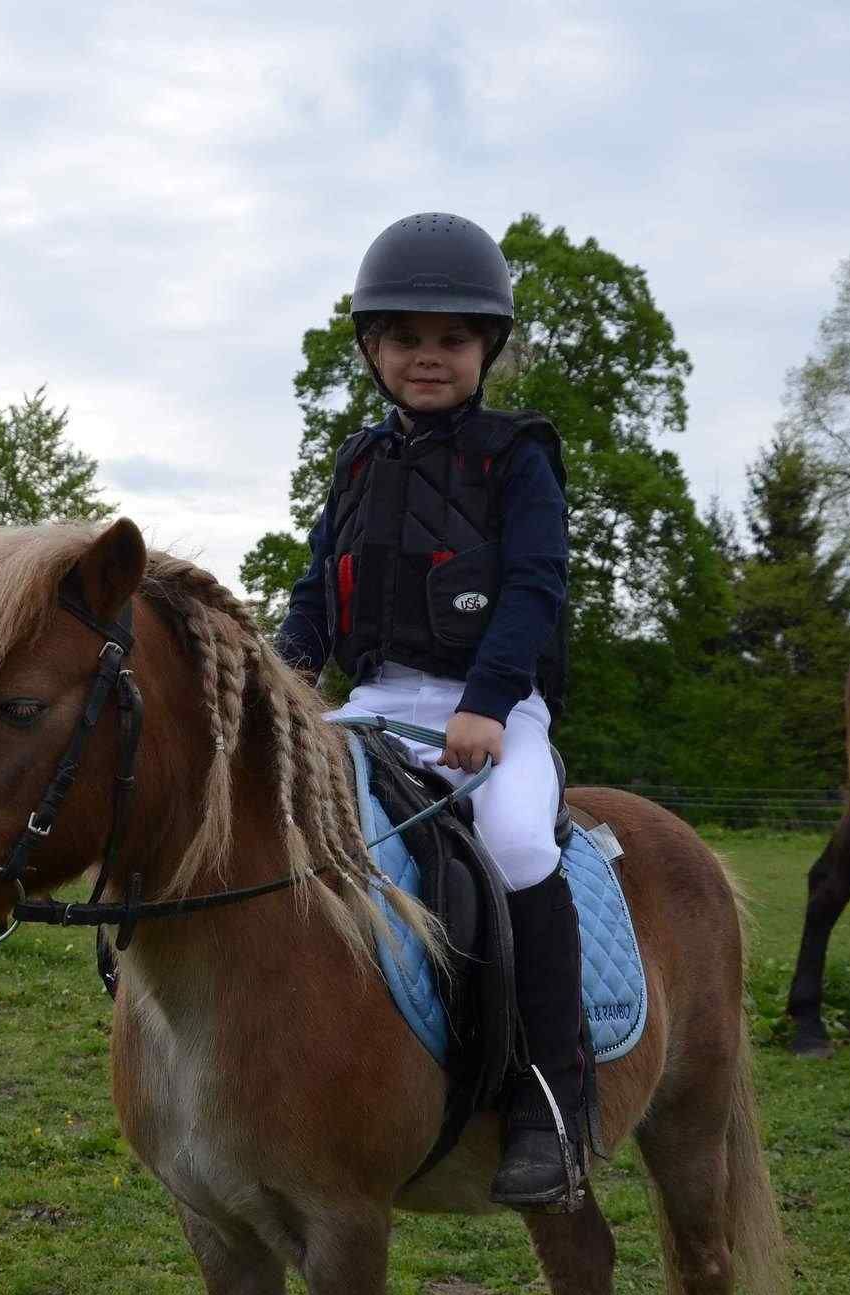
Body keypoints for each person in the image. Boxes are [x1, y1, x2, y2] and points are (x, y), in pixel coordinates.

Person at [274, 213, 583, 1210]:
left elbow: (534, 588)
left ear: (484, 348)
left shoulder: (518, 456)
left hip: (490, 709)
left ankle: (550, 1103)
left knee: (516, 842)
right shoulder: (357, 463)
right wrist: (276, 686)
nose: (426, 357)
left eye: (449, 339)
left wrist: (489, 702)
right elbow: (317, 589)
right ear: (370, 349)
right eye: (404, 338)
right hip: (372, 703)